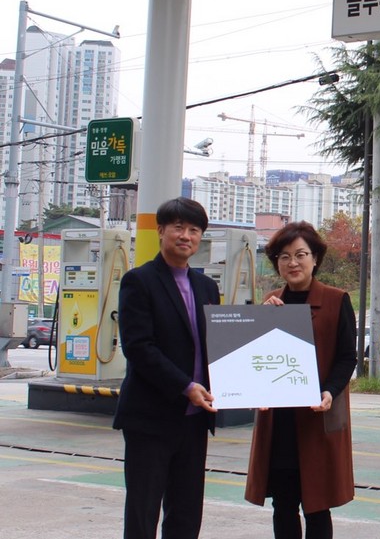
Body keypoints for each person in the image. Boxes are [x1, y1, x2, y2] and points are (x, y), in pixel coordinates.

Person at [113, 197, 220, 539]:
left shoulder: (207, 287)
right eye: (178, 227)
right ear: (161, 231)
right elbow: (138, 348)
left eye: (194, 230)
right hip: (151, 419)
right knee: (143, 513)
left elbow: (219, 342)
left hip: (195, 421)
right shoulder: (139, 281)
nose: (186, 236)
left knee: (186, 514)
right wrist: (186, 387)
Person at [245, 220, 357, 539]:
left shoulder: (336, 300)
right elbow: (256, 360)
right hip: (279, 422)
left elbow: (347, 357)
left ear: (315, 259)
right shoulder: (271, 302)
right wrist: (262, 320)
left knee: (317, 506)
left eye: (300, 255)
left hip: (316, 418)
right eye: (284, 257)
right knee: (283, 504)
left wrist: (329, 391)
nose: (292, 263)